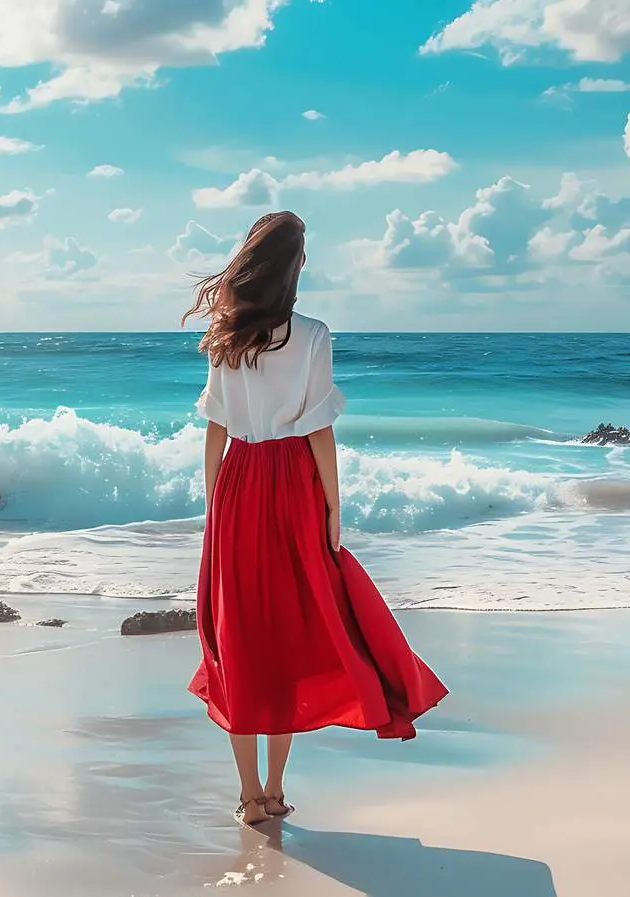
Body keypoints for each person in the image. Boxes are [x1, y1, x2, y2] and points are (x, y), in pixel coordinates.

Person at [184, 211, 450, 827]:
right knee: (293, 630)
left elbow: (216, 430)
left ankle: (250, 795)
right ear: (295, 265)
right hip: (292, 484)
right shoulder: (312, 335)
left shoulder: (227, 336)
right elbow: (318, 431)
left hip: (238, 483)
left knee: (240, 638)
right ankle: (275, 790)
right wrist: (334, 506)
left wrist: (213, 508)